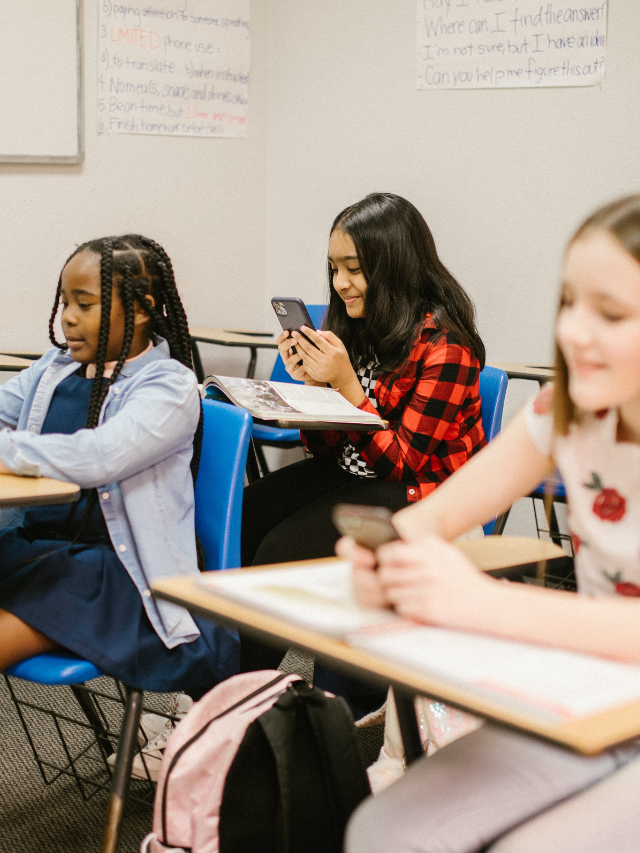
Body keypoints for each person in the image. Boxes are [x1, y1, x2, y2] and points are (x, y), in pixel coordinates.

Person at [342, 194, 640, 853]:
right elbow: (439, 511)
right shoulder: (562, 412)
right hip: (598, 698)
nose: (573, 332)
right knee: (383, 828)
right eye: (569, 303)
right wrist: (389, 554)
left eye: (611, 313)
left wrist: (480, 603)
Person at [239, 193, 486, 689]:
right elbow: (329, 449)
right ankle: (222, 692)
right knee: (242, 520)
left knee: (275, 555)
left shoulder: (447, 347)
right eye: (333, 268)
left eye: (354, 268)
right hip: (357, 474)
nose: (339, 284)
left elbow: (405, 462)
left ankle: (240, 705)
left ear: (393, 267)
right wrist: (312, 387)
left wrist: (348, 388)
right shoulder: (356, 326)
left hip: (420, 492)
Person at [0, 235, 238, 701]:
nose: (67, 316)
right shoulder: (55, 368)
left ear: (143, 307)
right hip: (39, 553)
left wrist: (6, 451)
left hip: (117, 577)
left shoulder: (169, 387)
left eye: (84, 304)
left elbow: (98, 456)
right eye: (65, 301)